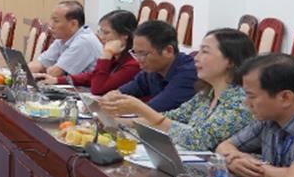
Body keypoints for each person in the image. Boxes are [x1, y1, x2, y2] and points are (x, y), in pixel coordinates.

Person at [101, 28, 255, 150]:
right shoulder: (207, 94)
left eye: (205, 51)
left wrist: (140, 108)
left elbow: (198, 139)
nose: (196, 57)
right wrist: (115, 122)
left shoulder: (240, 100)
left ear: (230, 61)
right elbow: (172, 117)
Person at [101, 19, 197, 113]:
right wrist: (111, 97)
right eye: (135, 53)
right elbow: (126, 90)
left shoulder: (188, 73)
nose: (138, 60)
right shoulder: (152, 70)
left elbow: (153, 110)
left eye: (143, 54)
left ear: (168, 51)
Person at [35, 9, 139, 95]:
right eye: (101, 31)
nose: (101, 37)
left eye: (106, 33)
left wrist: (106, 54)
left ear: (125, 35)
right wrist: (57, 80)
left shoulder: (133, 65)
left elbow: (98, 89)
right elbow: (91, 76)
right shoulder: (116, 57)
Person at [29, 0, 103, 77]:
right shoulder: (62, 38)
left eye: (56, 21)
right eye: (51, 20)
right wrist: (24, 71)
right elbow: (41, 62)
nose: (50, 25)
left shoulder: (84, 41)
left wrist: (42, 70)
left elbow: (55, 73)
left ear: (73, 24)